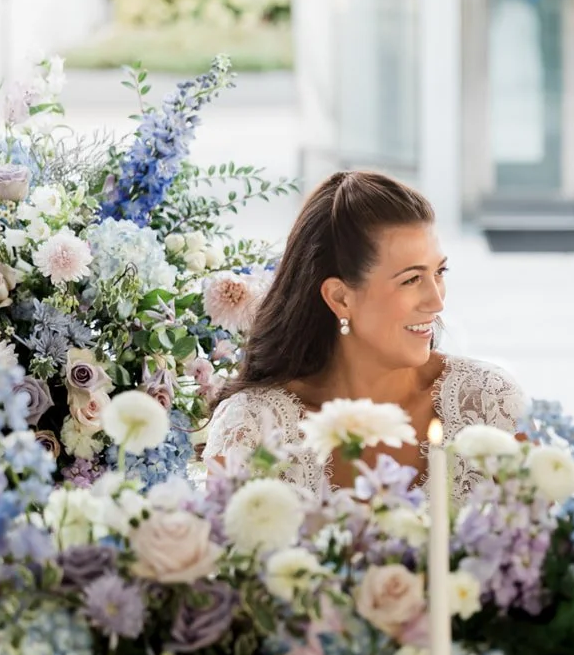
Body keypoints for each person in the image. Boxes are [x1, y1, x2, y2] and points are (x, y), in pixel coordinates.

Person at [204, 170, 528, 501]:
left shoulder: (489, 402)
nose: (437, 301)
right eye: (411, 279)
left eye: (439, 272)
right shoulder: (251, 429)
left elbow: (541, 529)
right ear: (340, 298)